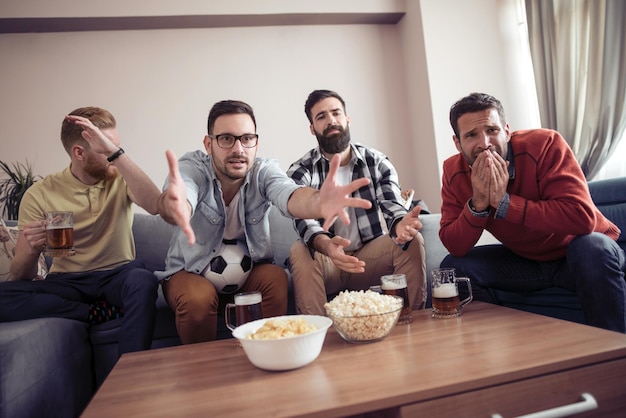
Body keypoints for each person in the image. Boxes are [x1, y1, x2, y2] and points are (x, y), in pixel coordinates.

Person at [156, 99, 372, 344]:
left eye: (247, 138)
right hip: (190, 273)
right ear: (209, 144)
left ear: (255, 143)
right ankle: (201, 372)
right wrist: (177, 206)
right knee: (198, 298)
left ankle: (266, 354)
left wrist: (318, 201)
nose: (238, 149)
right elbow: (183, 192)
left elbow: (288, 194)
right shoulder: (193, 167)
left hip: (247, 274)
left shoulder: (263, 171)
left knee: (275, 278)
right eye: (226, 139)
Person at [439, 92, 625, 333]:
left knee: (591, 248)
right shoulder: (453, 170)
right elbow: (454, 244)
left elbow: (583, 217)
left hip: (577, 255)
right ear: (458, 143)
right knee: (453, 267)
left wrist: (505, 203)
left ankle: (614, 352)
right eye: (471, 135)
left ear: (506, 130)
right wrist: (478, 204)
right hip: (526, 263)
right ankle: (501, 350)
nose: (484, 143)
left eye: (492, 130)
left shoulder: (545, 144)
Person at [0, 106, 162, 355]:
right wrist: (32, 250)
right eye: (105, 147)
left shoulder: (120, 176)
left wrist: (117, 155)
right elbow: (21, 274)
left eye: (115, 147)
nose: (113, 153)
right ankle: (94, 313)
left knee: (143, 280)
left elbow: (154, 206)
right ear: (79, 152)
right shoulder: (40, 193)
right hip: (68, 282)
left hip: (117, 275)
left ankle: (132, 371)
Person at [287, 89, 427, 316]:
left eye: (336, 113)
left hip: (369, 261)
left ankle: (410, 322)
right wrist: (327, 246)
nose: (331, 120)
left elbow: (392, 204)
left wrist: (401, 223)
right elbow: (302, 219)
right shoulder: (301, 170)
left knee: (412, 240)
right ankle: (317, 334)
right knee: (299, 250)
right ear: (312, 128)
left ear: (347, 119)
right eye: (321, 117)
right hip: (329, 260)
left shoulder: (377, 162)